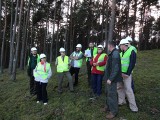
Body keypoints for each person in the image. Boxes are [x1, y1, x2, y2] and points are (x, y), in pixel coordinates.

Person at [102, 41, 123, 119]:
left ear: (110, 46)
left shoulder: (115, 54)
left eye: (107, 46)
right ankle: (107, 107)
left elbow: (116, 68)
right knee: (108, 93)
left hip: (112, 79)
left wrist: (111, 79)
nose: (107, 47)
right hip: (108, 77)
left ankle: (113, 112)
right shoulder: (112, 53)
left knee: (112, 94)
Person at [117, 39, 138, 112]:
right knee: (119, 87)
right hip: (120, 74)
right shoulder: (121, 53)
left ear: (123, 45)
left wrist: (127, 74)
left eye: (120, 45)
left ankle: (133, 107)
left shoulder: (132, 52)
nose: (119, 47)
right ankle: (121, 101)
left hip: (126, 75)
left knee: (128, 89)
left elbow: (132, 63)